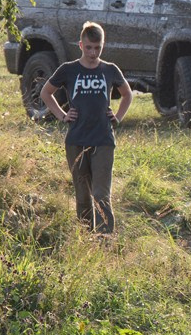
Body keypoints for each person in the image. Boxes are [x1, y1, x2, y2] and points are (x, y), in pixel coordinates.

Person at [39, 21, 134, 236]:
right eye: (89, 47)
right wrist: (63, 115)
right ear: (81, 45)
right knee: (82, 196)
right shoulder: (69, 69)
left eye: (98, 47)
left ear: (103, 46)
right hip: (76, 140)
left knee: (101, 194)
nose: (93, 53)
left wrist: (117, 117)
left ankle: (104, 240)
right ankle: (85, 239)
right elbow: (46, 93)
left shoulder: (109, 70)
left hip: (103, 140)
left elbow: (127, 94)